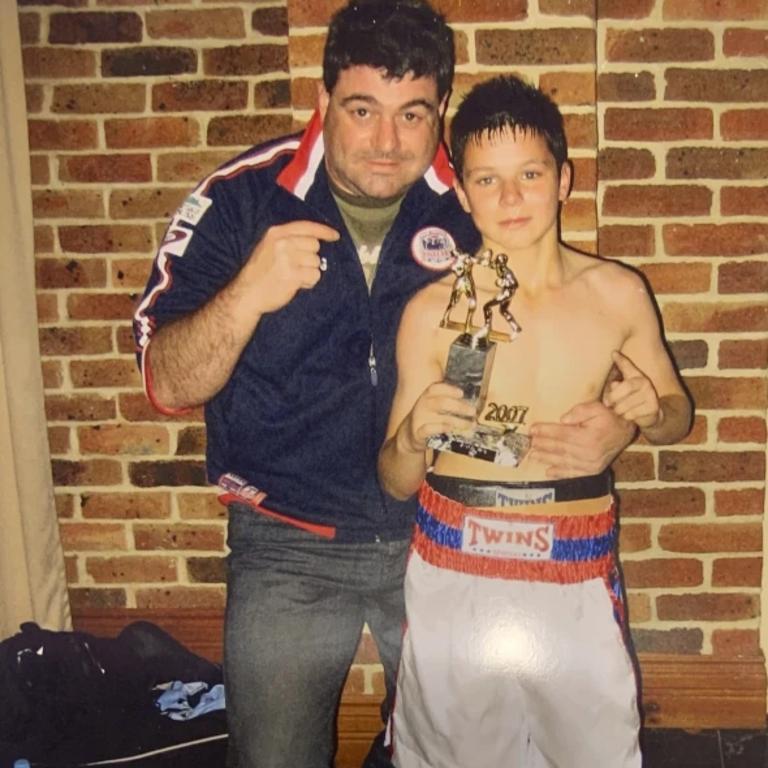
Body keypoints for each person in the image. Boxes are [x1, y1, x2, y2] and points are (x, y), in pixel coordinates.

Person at [132, 1, 636, 765]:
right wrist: (248, 292)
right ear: (325, 100)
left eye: (413, 115)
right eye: (363, 110)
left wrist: (619, 422)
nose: (386, 142)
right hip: (287, 543)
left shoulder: (474, 206)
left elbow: (567, 355)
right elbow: (168, 383)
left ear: (439, 114)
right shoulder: (243, 201)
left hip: (439, 533)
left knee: (469, 756)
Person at [378, 74, 693, 768]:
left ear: (563, 180)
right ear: (461, 194)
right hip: (456, 561)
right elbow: (396, 481)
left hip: (571, 564)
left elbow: (677, 414)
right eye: (487, 181)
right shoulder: (431, 311)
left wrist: (641, 419)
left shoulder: (615, 293)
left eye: (528, 174)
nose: (511, 198)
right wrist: (409, 437)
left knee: (594, 755)